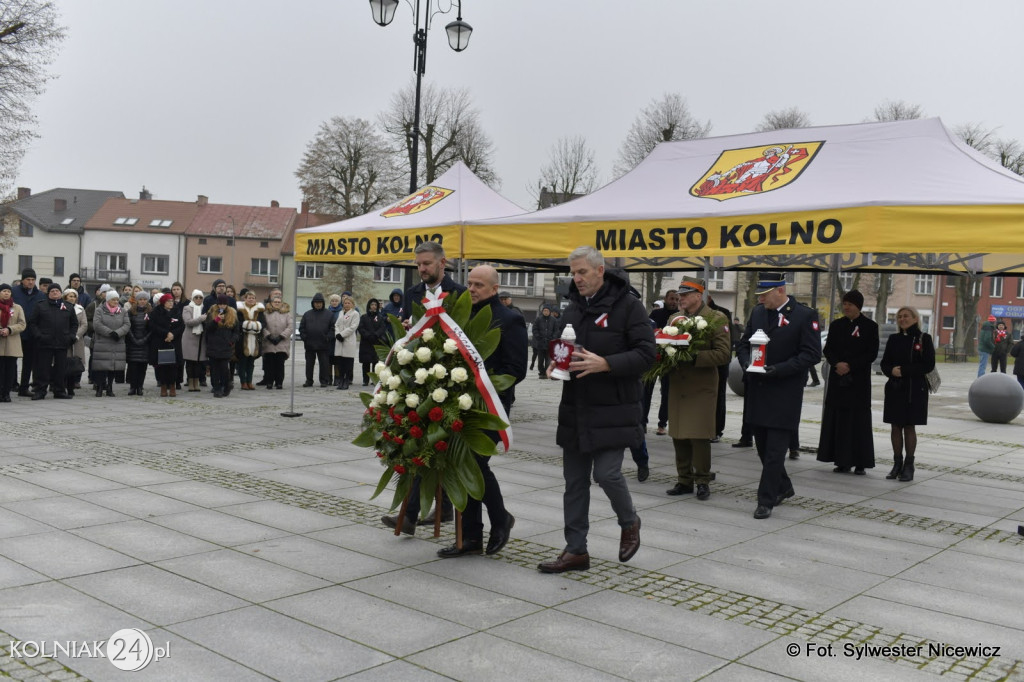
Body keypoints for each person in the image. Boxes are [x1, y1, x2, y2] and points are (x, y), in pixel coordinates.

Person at [538, 246, 654, 573]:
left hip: (613, 409)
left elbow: (648, 354)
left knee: (606, 473)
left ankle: (629, 521)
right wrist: (554, 364)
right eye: (573, 273)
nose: (576, 279)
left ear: (600, 270)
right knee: (574, 482)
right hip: (575, 408)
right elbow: (564, 346)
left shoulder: (629, 306)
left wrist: (608, 364)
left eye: (582, 272)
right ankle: (576, 550)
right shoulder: (573, 307)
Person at [437, 265, 527, 558]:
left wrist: (479, 381)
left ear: (494, 289)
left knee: (475, 464)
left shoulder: (510, 319)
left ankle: (500, 519)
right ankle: (470, 537)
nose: (472, 289)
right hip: (458, 403)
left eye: (479, 285)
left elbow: (515, 369)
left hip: (491, 406)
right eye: (470, 283)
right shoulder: (458, 317)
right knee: (460, 465)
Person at [736, 272, 821, 519]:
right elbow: (743, 344)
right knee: (763, 449)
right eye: (759, 295)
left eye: (764, 295)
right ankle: (784, 487)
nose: (761, 300)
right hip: (759, 391)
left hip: (784, 392)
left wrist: (779, 370)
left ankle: (766, 501)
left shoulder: (805, 315)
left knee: (775, 452)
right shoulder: (758, 313)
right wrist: (745, 364)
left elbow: (811, 354)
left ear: (780, 291)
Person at [664, 277, 731, 501]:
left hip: (701, 386)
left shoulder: (715, 318)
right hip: (678, 383)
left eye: (685, 295)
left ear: (698, 295)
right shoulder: (674, 318)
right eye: (679, 295)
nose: (680, 299)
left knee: (700, 435)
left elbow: (724, 354)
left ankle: (702, 480)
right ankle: (684, 480)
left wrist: (694, 357)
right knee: (679, 433)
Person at [816, 290, 880, 475]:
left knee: (858, 421)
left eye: (850, 304)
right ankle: (841, 460)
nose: (846, 307)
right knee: (839, 420)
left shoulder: (870, 326)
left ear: (858, 306)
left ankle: (860, 461)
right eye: (844, 304)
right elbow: (829, 349)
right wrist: (837, 363)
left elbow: (871, 353)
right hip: (838, 380)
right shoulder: (837, 325)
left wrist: (850, 365)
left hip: (858, 382)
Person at [880, 306, 935, 482]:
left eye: (906, 316)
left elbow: (928, 365)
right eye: (899, 317)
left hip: (914, 389)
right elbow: (884, 363)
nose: (902, 319)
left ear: (915, 318)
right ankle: (897, 462)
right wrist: (891, 371)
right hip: (895, 387)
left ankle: (909, 465)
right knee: (895, 426)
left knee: (909, 426)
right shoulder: (894, 339)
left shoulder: (924, 339)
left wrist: (903, 370)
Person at [28, 283, 79, 400]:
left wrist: (71, 337)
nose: (55, 292)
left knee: (60, 369)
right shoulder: (40, 306)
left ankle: (59, 391)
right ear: (48, 293)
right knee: (43, 369)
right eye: (52, 291)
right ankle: (41, 391)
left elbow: (74, 324)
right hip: (45, 342)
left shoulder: (68, 307)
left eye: (57, 291)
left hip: (62, 342)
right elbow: (33, 323)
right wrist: (39, 336)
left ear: (61, 293)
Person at [400, 241, 466, 321]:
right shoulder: (410, 294)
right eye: (418, 265)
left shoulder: (461, 293)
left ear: (442, 263)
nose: (421, 269)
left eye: (427, 263)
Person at [647, 289, 679, 436]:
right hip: (653, 358)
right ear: (665, 299)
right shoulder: (656, 314)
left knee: (667, 392)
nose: (674, 302)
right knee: (646, 390)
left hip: (668, 359)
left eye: (676, 299)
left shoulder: (678, 317)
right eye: (671, 299)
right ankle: (642, 421)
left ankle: (662, 423)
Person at [12, 268, 46, 396]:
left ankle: (24, 388)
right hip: (15, 332)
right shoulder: (14, 292)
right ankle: (11, 384)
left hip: (32, 334)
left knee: (28, 362)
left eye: (33, 280)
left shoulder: (41, 295)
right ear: (22, 280)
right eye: (28, 279)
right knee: (11, 361)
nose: (31, 282)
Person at [706, 293, 735, 441]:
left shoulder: (722, 313)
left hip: (719, 363)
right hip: (703, 364)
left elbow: (729, 339)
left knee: (718, 396)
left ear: (708, 297)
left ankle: (717, 429)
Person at [92, 289, 130, 397]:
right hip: (103, 342)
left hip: (117, 342)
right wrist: (110, 332)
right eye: (113, 299)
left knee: (113, 367)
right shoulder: (99, 310)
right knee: (101, 367)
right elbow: (97, 324)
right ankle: (99, 387)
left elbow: (127, 325)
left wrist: (118, 333)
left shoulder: (122, 311)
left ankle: (110, 387)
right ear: (108, 300)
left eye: (117, 299)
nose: (116, 301)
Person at [204, 294, 240, 398]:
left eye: (224, 304)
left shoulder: (232, 314)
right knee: (214, 369)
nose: (222, 306)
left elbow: (236, 331)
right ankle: (217, 388)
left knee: (224, 368)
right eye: (220, 304)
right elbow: (208, 328)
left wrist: (231, 341)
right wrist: (216, 320)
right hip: (213, 345)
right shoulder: (211, 312)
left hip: (226, 346)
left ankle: (226, 385)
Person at [149, 293, 184, 397]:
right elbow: (153, 326)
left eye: (172, 301)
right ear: (163, 302)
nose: (170, 303)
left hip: (174, 342)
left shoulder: (177, 311)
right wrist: (166, 333)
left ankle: (172, 386)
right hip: (161, 341)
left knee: (174, 366)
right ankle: (163, 386)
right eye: (168, 301)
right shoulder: (156, 312)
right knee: (162, 366)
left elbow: (181, 326)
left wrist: (173, 334)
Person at [299, 293, 334, 387]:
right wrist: (304, 337)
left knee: (324, 364)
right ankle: (309, 380)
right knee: (309, 364)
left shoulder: (329, 314)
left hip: (323, 344)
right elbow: (302, 328)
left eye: (319, 302)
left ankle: (324, 381)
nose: (318, 304)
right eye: (316, 302)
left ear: (323, 303)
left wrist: (328, 337)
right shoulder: (307, 314)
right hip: (309, 344)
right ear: (313, 303)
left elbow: (333, 328)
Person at [0, 283, 27, 402]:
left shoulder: (17, 307)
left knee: (10, 370)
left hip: (12, 342)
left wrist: (10, 329)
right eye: (4, 291)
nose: (6, 293)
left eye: (8, 291)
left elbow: (22, 324)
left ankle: (6, 393)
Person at [261, 291, 292, 390]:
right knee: (269, 365)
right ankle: (269, 382)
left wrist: (281, 336)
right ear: (271, 303)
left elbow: (290, 326)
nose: (277, 303)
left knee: (280, 365)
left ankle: (279, 382)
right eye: (275, 302)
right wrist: (268, 336)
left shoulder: (287, 314)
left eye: (279, 302)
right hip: (269, 343)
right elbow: (263, 326)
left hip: (282, 343)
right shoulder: (266, 313)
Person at [236, 290, 266, 390]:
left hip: (255, 339)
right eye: (249, 298)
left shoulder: (260, 310)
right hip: (243, 338)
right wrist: (247, 325)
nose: (251, 300)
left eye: (253, 298)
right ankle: (243, 382)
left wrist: (256, 326)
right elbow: (238, 323)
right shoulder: (240, 309)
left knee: (251, 363)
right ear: (245, 299)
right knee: (242, 362)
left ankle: (249, 381)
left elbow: (263, 323)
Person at [125, 291, 152, 396]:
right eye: (140, 299)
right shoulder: (130, 312)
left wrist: (144, 339)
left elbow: (152, 329)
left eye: (144, 299)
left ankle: (140, 387)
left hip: (145, 344)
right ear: (137, 300)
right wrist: (134, 339)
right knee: (133, 367)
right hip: (133, 343)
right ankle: (133, 387)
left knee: (142, 368)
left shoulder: (150, 312)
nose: (142, 301)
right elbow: (128, 326)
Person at [63, 289, 87, 396]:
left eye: (74, 296)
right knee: (63, 364)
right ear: (65, 297)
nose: (72, 298)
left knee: (74, 365)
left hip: (77, 340)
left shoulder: (80, 309)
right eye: (70, 296)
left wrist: (76, 336)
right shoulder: (61, 308)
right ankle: (61, 386)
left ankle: (71, 387)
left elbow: (84, 325)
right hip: (64, 340)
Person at [357, 298, 387, 386]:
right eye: (372, 305)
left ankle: (374, 380)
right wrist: (367, 335)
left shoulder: (380, 317)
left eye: (375, 305)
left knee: (375, 362)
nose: (373, 307)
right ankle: (365, 380)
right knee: (366, 363)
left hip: (376, 342)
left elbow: (382, 328)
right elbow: (361, 328)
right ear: (369, 306)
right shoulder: (364, 317)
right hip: (366, 342)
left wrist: (376, 335)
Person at [182, 290, 208, 392]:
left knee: (198, 363)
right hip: (189, 338)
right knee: (190, 363)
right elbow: (188, 322)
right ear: (192, 298)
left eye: (200, 297)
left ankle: (196, 382)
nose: (198, 299)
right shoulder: (187, 308)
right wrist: (201, 318)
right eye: (196, 297)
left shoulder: (204, 308)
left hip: (201, 338)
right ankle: (190, 382)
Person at [333, 295, 359, 390]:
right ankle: (341, 380)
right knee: (340, 362)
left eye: (349, 303)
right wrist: (337, 334)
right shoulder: (340, 313)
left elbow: (353, 327)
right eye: (345, 303)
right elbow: (336, 325)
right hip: (340, 340)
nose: (346, 305)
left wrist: (342, 334)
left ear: (352, 304)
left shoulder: (355, 314)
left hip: (348, 340)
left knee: (348, 363)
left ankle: (347, 381)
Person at [532, 304, 559, 379]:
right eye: (544, 310)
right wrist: (538, 336)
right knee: (540, 361)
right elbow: (534, 329)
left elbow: (556, 330)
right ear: (542, 311)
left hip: (550, 344)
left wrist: (553, 338)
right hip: (540, 343)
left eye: (547, 311)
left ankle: (547, 372)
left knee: (548, 360)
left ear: (550, 312)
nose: (546, 312)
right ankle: (542, 373)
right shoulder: (538, 319)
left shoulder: (554, 320)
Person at [327, 293, 344, 386]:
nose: (334, 302)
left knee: (337, 359)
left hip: (338, 338)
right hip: (329, 339)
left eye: (336, 301)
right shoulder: (327, 311)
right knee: (329, 359)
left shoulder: (341, 312)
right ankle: (329, 377)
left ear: (339, 302)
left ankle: (337, 378)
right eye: (332, 301)